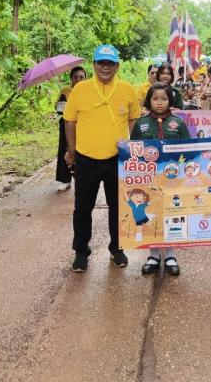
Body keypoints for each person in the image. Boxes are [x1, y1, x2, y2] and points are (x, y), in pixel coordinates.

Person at [63, 44, 141, 273]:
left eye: (110, 63)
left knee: (118, 207)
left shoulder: (127, 89)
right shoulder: (81, 89)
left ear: (117, 66)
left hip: (117, 160)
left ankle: (117, 248)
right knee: (82, 208)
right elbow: (70, 120)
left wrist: (129, 146)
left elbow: (134, 118)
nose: (105, 67)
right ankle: (81, 252)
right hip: (86, 159)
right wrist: (72, 151)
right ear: (94, 65)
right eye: (101, 63)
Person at [131, 82, 191, 276]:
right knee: (151, 213)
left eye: (164, 99)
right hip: (148, 179)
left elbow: (188, 150)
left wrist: (179, 168)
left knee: (172, 213)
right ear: (148, 100)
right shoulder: (141, 123)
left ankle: (171, 255)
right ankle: (153, 255)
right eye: (155, 98)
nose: (159, 102)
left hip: (173, 179)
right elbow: (133, 149)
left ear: (170, 100)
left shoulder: (178, 123)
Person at [55, 66, 87, 192]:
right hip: (66, 124)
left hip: (83, 124)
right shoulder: (65, 91)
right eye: (75, 77)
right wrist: (61, 102)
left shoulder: (89, 91)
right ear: (71, 79)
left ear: (85, 78)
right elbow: (57, 108)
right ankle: (65, 180)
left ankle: (82, 179)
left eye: (81, 77)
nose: (78, 79)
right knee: (65, 150)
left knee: (82, 152)